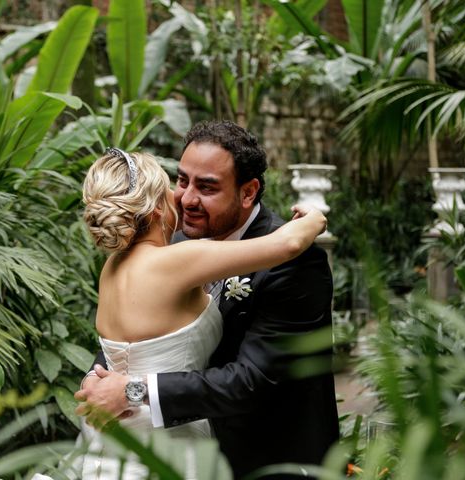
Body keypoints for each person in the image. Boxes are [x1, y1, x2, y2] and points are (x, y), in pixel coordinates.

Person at [40, 145, 327, 479]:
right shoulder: (178, 260)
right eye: (174, 187)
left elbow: (128, 347)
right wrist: (315, 218)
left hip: (109, 437)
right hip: (167, 444)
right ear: (159, 207)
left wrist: (95, 378)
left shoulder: (111, 268)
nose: (182, 199)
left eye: (203, 186)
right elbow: (288, 245)